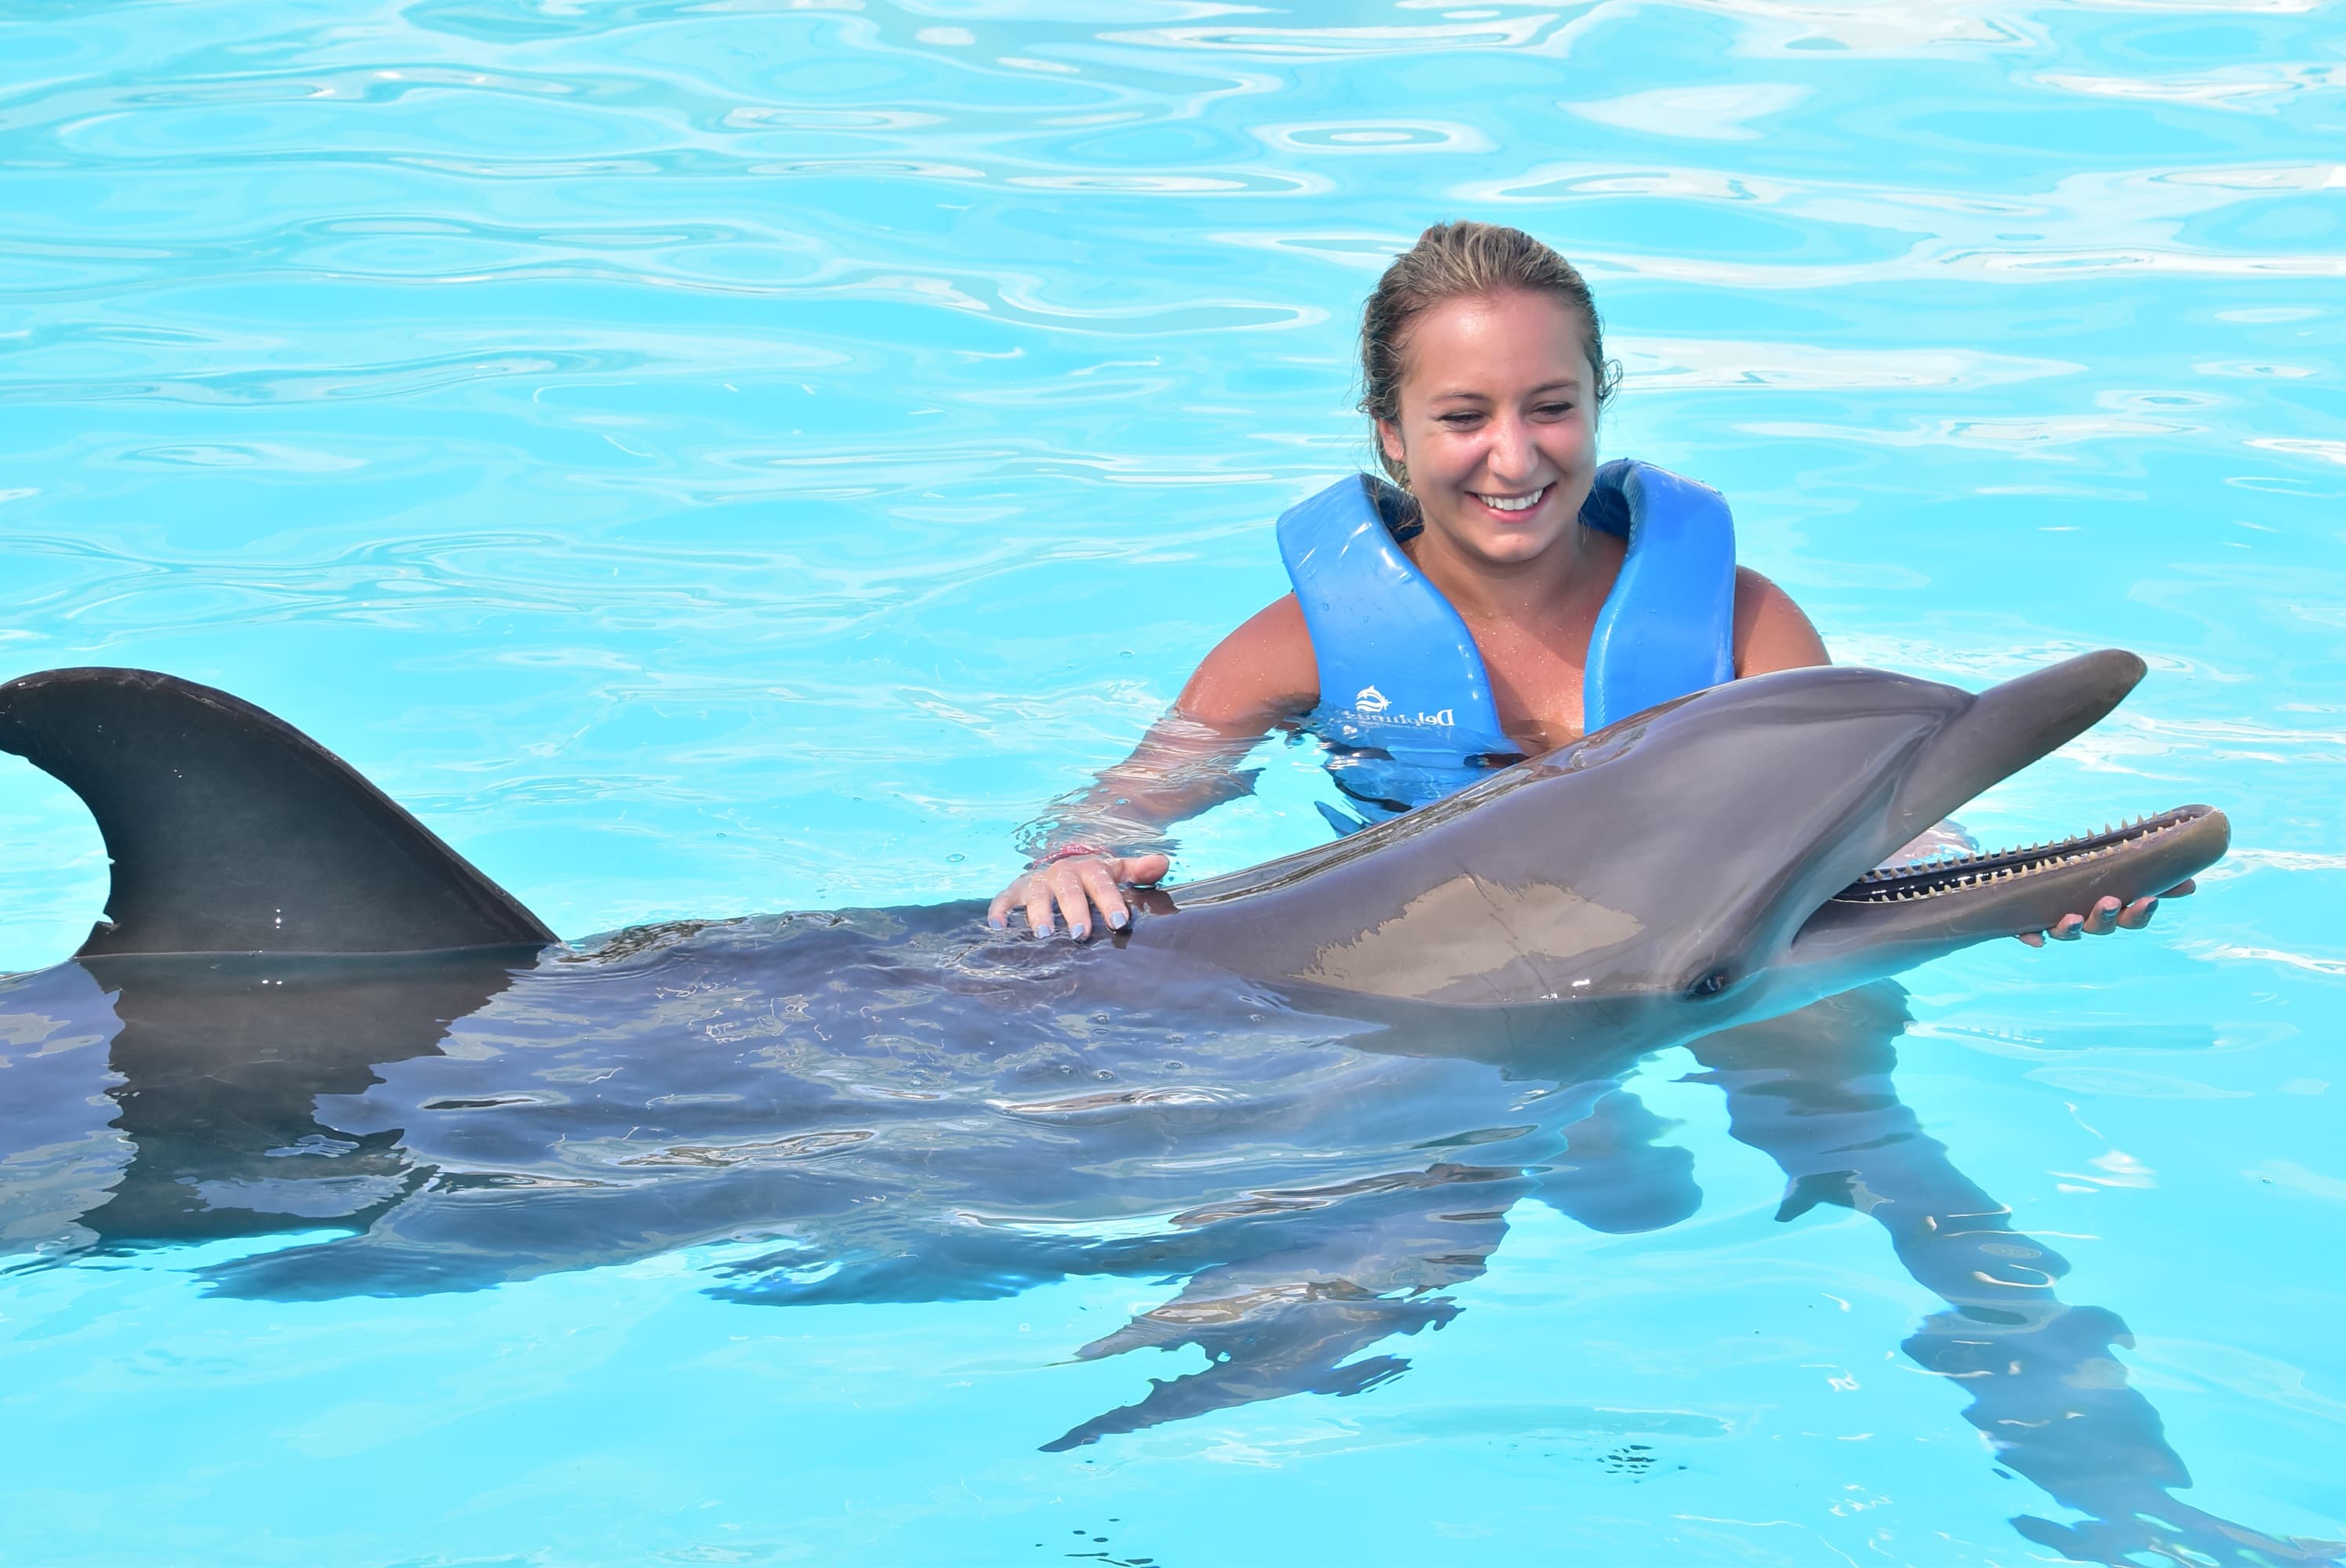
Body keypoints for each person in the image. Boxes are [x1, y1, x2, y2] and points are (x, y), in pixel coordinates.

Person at [988, 222, 2187, 948]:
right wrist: (1076, 861)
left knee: (1835, 1091)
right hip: (1431, 972)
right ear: (1390, 437)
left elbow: (1876, 831)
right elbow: (1120, 809)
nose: (1515, 457)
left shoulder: (1743, 625)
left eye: (1551, 407)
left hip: (1701, 949)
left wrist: (2003, 893)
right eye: (1463, 417)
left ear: (1599, 402)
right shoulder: (1297, 652)